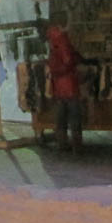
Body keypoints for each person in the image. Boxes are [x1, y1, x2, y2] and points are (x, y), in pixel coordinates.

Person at [46, 23, 85, 153]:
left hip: (58, 86)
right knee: (74, 117)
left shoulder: (54, 45)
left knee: (60, 118)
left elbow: (56, 64)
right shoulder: (64, 42)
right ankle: (77, 146)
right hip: (70, 85)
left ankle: (62, 144)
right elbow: (68, 61)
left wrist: (54, 72)